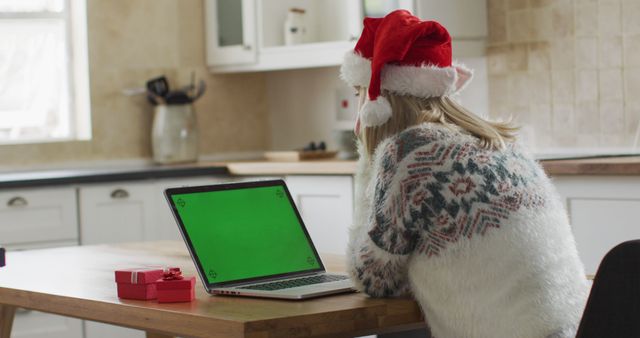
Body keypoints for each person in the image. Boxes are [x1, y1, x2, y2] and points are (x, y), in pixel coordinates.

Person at [341, 10, 589, 338]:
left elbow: (374, 279)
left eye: (359, 95)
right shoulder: (501, 141)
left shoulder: (409, 154)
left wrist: (367, 163)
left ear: (376, 104)